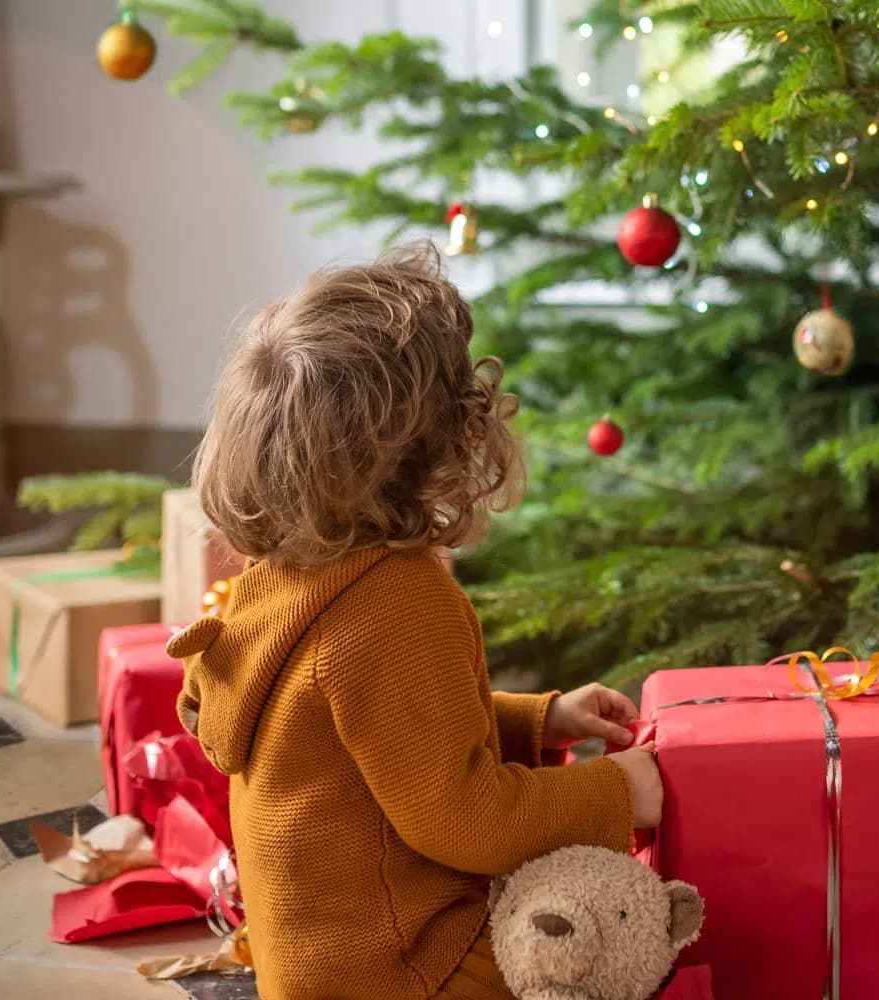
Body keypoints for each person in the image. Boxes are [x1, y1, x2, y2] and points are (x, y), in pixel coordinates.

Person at [169, 244, 663, 1000]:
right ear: (441, 441)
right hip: (409, 971)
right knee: (623, 920)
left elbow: (377, 743)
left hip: (315, 969)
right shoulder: (396, 601)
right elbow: (467, 821)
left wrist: (541, 721)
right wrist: (617, 793)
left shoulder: (285, 582)